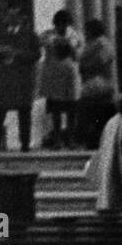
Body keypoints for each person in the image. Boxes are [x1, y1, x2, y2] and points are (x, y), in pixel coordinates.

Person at [0, 15, 41, 152]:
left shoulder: (30, 35)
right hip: (4, 78)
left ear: (21, 18)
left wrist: (18, 53)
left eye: (16, 14)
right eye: (9, 14)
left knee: (24, 112)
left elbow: (36, 55)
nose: (12, 18)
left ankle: (25, 143)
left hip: (22, 78)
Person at [38, 10, 82, 148]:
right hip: (54, 76)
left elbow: (78, 53)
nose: (63, 27)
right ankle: (57, 139)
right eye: (60, 24)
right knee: (56, 109)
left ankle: (70, 138)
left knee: (72, 109)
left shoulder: (75, 35)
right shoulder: (48, 35)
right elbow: (42, 42)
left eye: (66, 24)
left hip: (70, 74)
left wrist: (70, 44)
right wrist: (58, 40)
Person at [76, 19, 118, 149]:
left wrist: (86, 65)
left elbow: (103, 60)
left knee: (97, 114)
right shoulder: (92, 43)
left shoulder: (102, 44)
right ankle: (92, 139)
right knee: (92, 114)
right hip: (91, 82)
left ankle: (97, 140)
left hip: (100, 83)